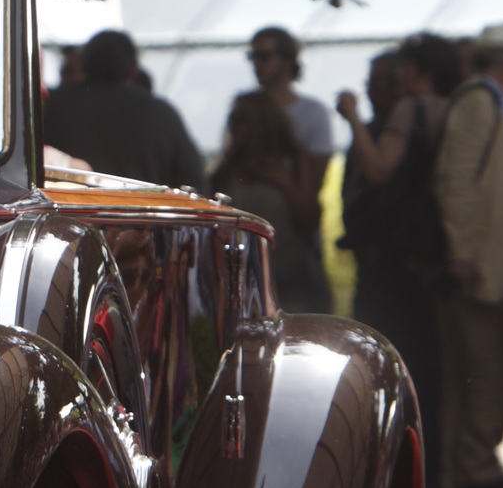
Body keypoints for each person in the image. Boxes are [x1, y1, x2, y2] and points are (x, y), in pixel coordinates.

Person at [338, 34, 458, 474]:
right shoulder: (453, 107)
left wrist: (352, 118)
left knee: (384, 350)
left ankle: (392, 460)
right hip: (429, 251)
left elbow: (377, 169)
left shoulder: (410, 110)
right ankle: (432, 458)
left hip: (392, 255)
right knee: (428, 357)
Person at [433, 24, 503, 488]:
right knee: (486, 368)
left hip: (475, 259)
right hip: (479, 264)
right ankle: (476, 467)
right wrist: (465, 252)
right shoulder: (480, 103)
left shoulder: (479, 101)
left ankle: (460, 467)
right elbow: (458, 180)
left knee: (465, 371)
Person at [212, 91, 333, 314]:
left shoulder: (293, 161)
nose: (235, 125)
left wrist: (283, 182)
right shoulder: (227, 169)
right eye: (233, 117)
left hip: (289, 279)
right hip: (237, 277)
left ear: (262, 122)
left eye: (242, 118)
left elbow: (311, 218)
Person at [41, 29, 205, 190]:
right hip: (141, 214)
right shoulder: (161, 113)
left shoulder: (52, 106)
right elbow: (193, 182)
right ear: (133, 68)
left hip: (62, 212)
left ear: (83, 64)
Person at [245, 26, 334, 210]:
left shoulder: (313, 112)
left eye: (264, 56)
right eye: (252, 56)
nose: (256, 63)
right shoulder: (245, 109)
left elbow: (315, 183)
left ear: (287, 60)